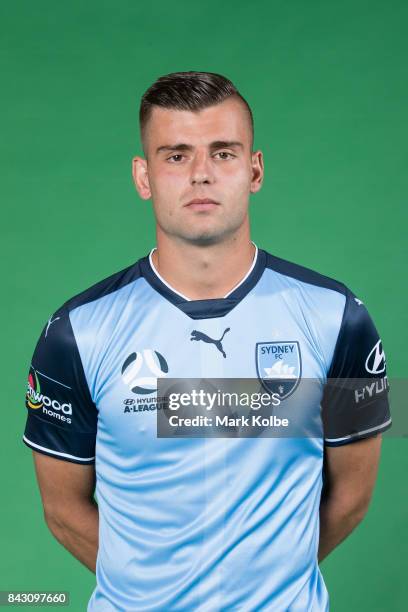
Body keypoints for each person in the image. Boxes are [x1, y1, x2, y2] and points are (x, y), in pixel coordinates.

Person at [23, 71, 391, 611]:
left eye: (223, 153)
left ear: (255, 169)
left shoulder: (340, 317)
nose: (201, 175)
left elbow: (353, 498)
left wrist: (268, 585)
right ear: (143, 176)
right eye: (175, 156)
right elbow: (61, 510)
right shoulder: (77, 331)